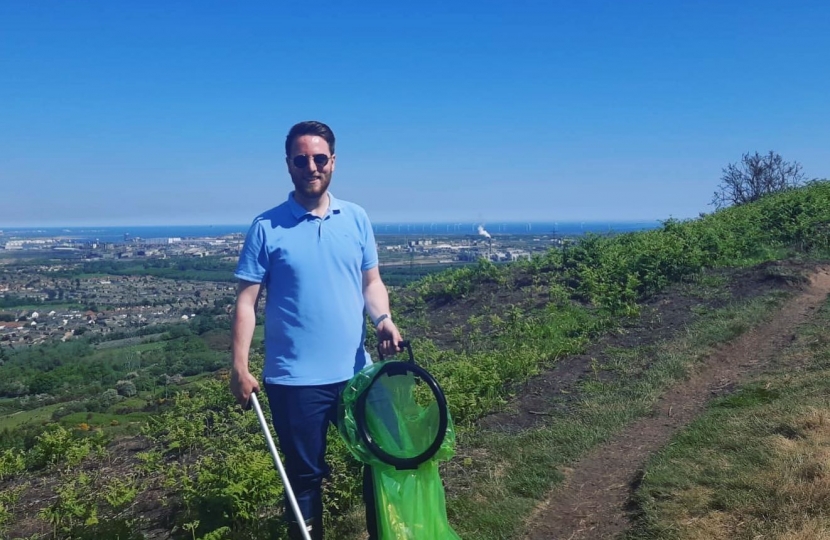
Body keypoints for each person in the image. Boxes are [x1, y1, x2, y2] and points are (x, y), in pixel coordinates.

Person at [230, 120, 402, 540]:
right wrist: (239, 365)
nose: (312, 166)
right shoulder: (266, 227)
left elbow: (371, 283)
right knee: (303, 479)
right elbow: (246, 302)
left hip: (356, 373)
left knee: (379, 462)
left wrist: (382, 318)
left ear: (333, 162)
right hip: (294, 381)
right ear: (288, 165)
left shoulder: (357, 218)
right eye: (301, 159)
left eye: (319, 158)